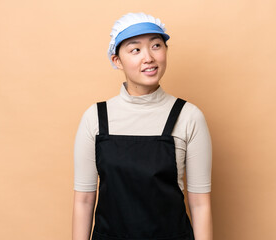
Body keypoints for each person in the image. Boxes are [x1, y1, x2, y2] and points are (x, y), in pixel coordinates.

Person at [72, 12, 213, 240]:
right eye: (135, 49)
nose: (148, 57)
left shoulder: (189, 117)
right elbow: (84, 200)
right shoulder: (95, 118)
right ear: (116, 60)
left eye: (156, 46)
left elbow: (200, 205)